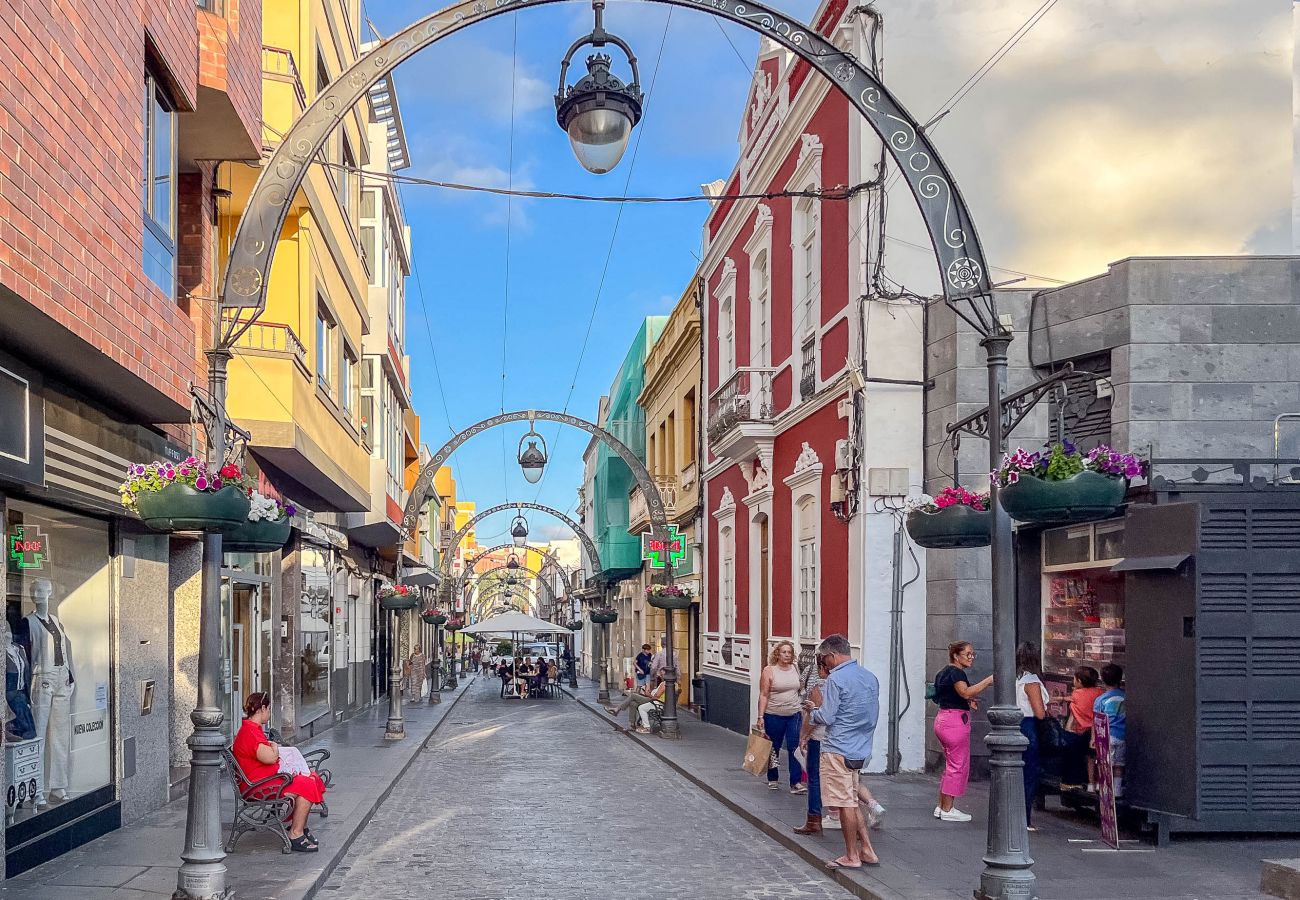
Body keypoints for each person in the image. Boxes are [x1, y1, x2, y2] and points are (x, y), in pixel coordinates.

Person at [805, 634, 880, 869]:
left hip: (838, 747)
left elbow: (826, 717)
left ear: (832, 655)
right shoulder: (869, 677)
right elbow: (871, 713)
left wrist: (813, 709)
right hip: (860, 747)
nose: (823, 664)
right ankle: (867, 849)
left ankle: (851, 855)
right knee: (852, 798)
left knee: (845, 802)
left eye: (823, 659)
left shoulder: (836, 680)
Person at [232, 691, 326, 853]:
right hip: (258, 786)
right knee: (307, 783)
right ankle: (295, 834)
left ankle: (300, 826)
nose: (268, 713)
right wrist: (274, 747)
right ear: (262, 708)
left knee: (312, 777)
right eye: (268, 709)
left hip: (266, 780)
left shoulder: (251, 729)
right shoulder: (250, 732)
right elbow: (269, 757)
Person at [932, 640, 993, 823]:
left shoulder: (943, 672)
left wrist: (966, 701)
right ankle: (948, 809)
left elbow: (951, 695)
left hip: (943, 718)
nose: (971, 657)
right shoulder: (957, 673)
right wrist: (988, 681)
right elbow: (964, 692)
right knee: (958, 765)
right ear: (956, 656)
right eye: (968, 654)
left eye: (972, 654)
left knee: (950, 765)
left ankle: (942, 806)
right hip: (955, 722)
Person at [757, 640, 804, 794]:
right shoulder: (769, 670)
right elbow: (763, 695)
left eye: (789, 652)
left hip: (794, 714)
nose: (787, 655)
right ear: (777, 654)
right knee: (773, 747)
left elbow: (800, 689)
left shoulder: (795, 668)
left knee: (794, 747)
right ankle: (773, 778)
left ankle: (795, 782)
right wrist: (760, 716)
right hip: (773, 715)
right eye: (784, 652)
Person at [1015, 642, 1048, 832]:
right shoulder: (1032, 681)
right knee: (1029, 773)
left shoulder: (1017, 678)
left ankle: (1020, 815)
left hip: (1016, 723)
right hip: (1029, 726)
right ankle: (1025, 818)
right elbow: (1040, 713)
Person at [794, 650, 826, 834]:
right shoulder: (844, 683)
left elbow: (814, 717)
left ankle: (814, 819)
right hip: (840, 740)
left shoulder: (820, 686)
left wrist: (803, 736)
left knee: (814, 778)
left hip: (819, 738)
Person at [1061, 666, 1103, 790]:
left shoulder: (1077, 694)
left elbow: (1073, 713)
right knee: (1095, 758)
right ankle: (1097, 784)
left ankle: (1078, 782)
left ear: (1079, 681)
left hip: (1080, 731)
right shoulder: (1099, 692)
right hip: (1096, 731)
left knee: (1078, 758)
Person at [1094, 663, 1126, 796]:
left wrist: (1093, 738)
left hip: (1107, 736)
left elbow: (1097, 720)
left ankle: (1105, 789)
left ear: (1102, 679)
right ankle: (1117, 790)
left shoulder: (1100, 699)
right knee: (1119, 764)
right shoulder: (1125, 697)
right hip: (1123, 736)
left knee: (1105, 764)